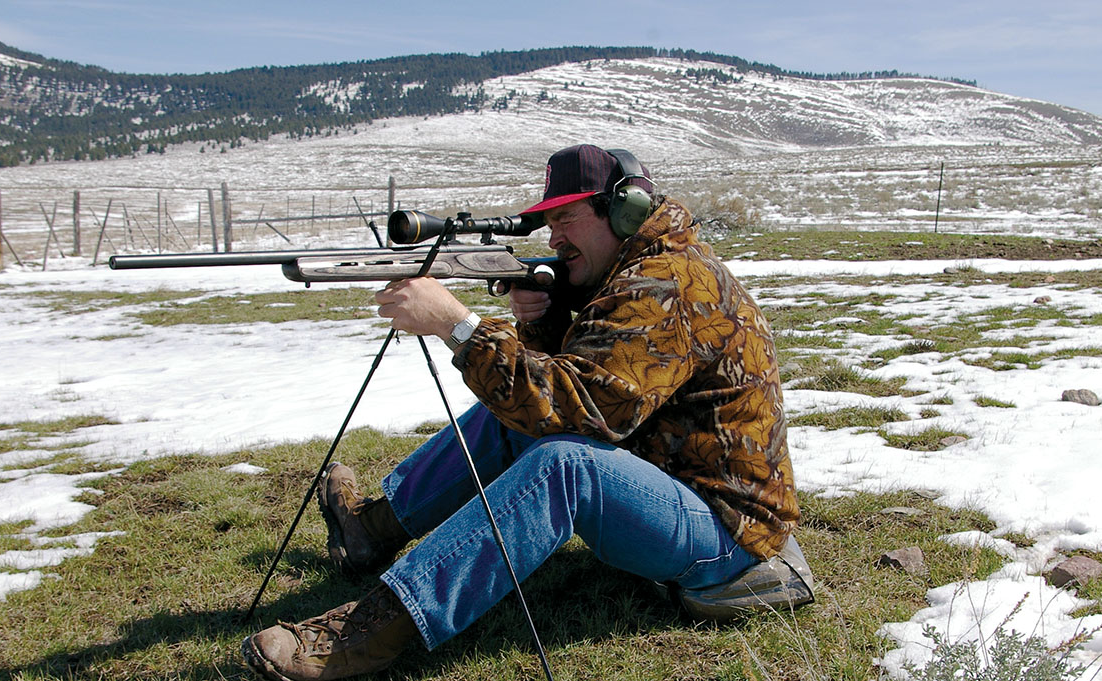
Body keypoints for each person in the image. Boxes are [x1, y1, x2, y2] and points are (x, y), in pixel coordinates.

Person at [241, 144, 813, 681]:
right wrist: (538, 319)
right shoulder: (632, 271)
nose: (556, 235)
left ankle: (371, 631)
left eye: (568, 218)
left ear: (622, 211)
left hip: (728, 532)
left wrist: (458, 327)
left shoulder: (665, 284)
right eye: (551, 221)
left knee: (566, 465)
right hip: (669, 483)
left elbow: (584, 412)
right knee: (509, 415)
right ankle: (370, 530)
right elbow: (580, 383)